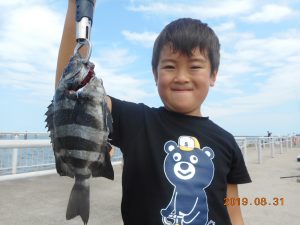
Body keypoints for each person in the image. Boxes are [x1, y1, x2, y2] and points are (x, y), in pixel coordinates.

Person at [56, 1, 251, 225]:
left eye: (195, 66)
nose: (181, 77)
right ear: (155, 74)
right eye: (169, 66)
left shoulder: (226, 141)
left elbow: (233, 210)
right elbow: (71, 99)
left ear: (213, 75)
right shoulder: (137, 121)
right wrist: (75, 7)